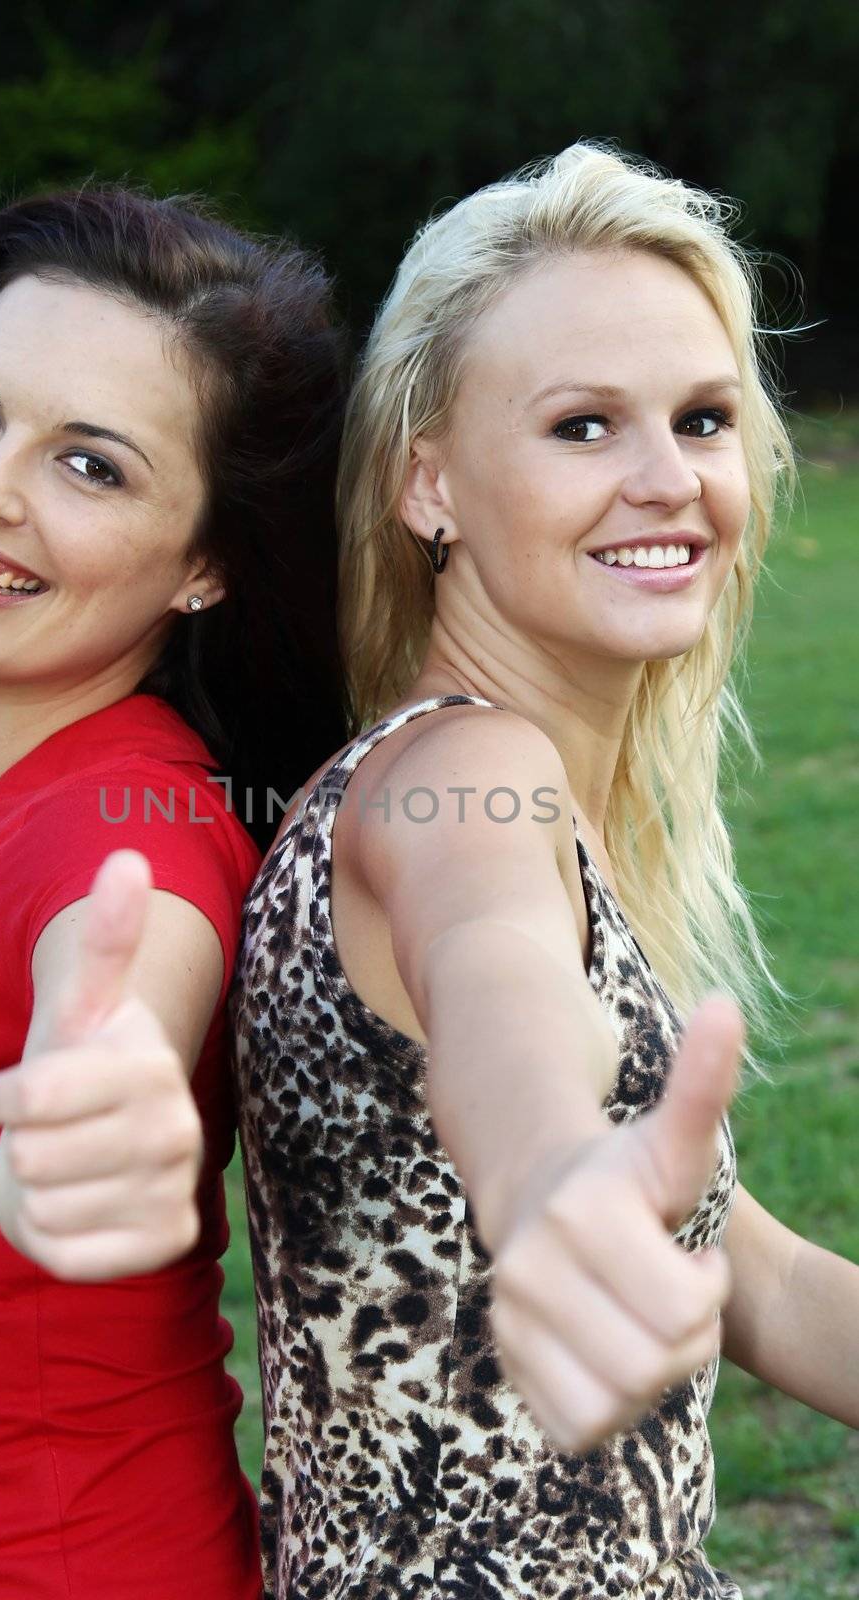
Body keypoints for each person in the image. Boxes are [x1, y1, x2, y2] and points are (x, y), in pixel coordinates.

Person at [231, 142, 859, 1598]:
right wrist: (546, 1172)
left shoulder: (493, 779)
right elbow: (499, 993)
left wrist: (586, 1188)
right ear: (426, 482)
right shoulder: (468, 779)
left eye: (701, 420)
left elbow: (746, 1270)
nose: (666, 481)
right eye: (582, 427)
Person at [0, 186, 349, 1598]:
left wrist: (115, 1090)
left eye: (90, 466)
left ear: (209, 563)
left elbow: (123, 964)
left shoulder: (124, 828)